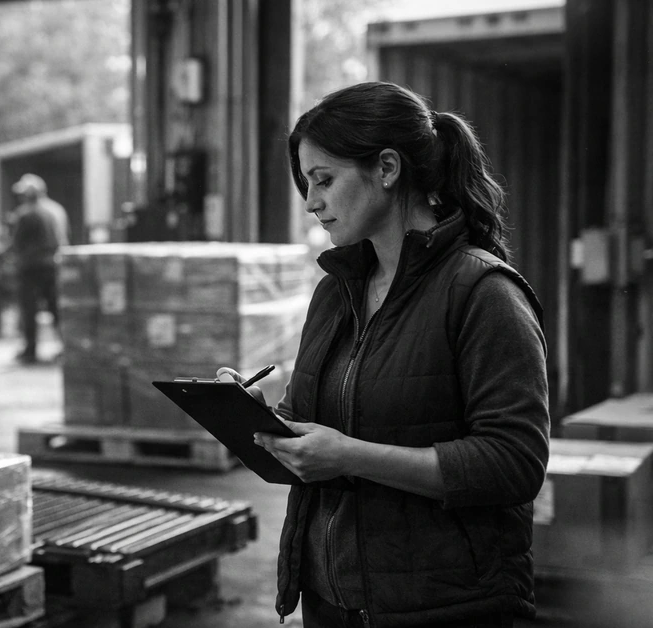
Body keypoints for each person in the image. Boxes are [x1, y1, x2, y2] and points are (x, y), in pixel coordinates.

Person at [221, 82, 549, 627]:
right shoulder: (337, 291)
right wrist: (257, 419)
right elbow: (313, 428)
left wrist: (350, 455)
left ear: (388, 168)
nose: (311, 201)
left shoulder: (482, 293)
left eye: (324, 179)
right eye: (307, 183)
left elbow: (514, 463)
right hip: (332, 602)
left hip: (442, 608)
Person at [9, 174, 68, 363]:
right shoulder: (53, 212)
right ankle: (65, 346)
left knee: (29, 310)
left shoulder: (25, 214)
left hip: (31, 269)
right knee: (55, 308)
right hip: (52, 266)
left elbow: (17, 243)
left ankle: (30, 350)